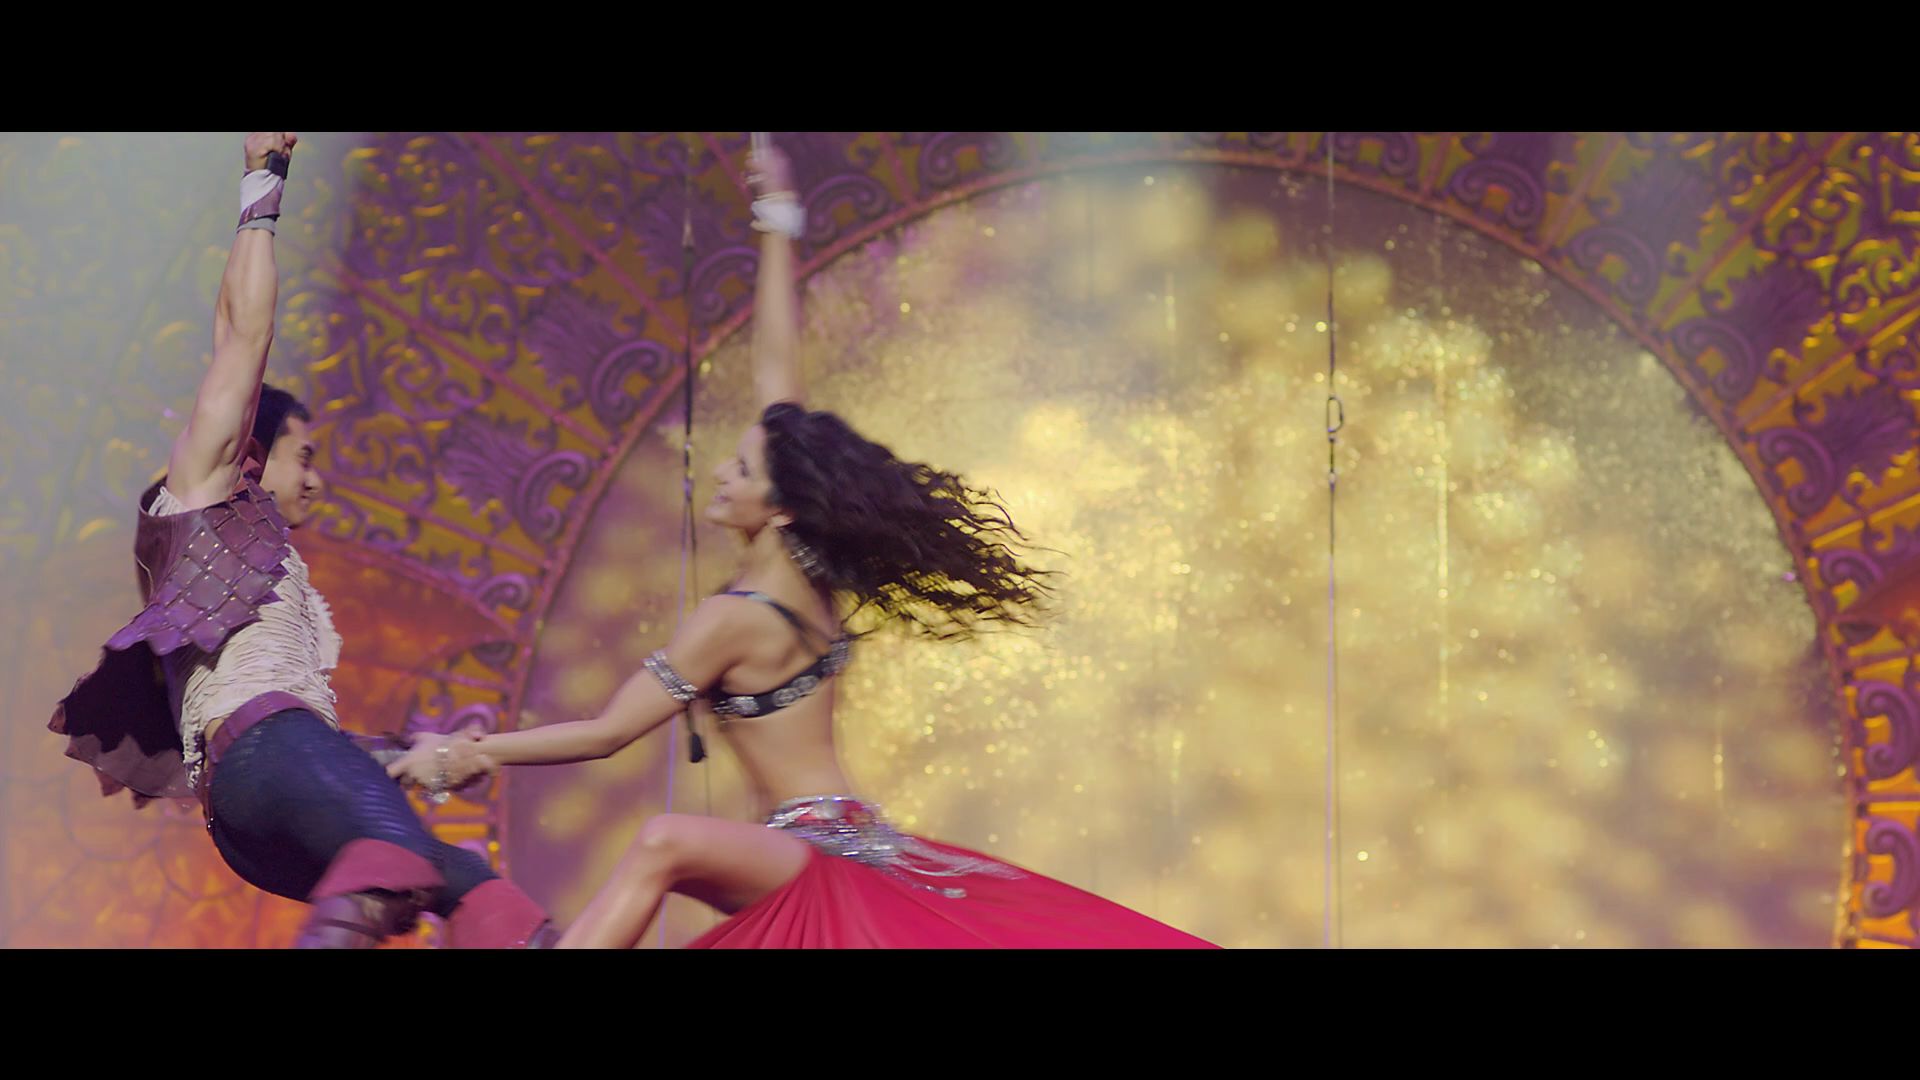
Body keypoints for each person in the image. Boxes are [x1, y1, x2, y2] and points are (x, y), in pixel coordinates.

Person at [390, 137, 1214, 949]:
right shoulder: (813, 569)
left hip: (814, 850)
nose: (721, 474)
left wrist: (464, 754)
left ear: (780, 508)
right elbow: (778, 377)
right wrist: (778, 220)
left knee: (664, 840)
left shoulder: (735, 619)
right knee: (671, 844)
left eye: (741, 470)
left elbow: (606, 734)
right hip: (838, 843)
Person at [51, 131, 557, 949]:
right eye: (306, 456)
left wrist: (408, 753)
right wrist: (265, 182)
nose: (317, 480)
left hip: (263, 805)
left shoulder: (253, 554)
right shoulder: (203, 493)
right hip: (266, 762)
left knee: (484, 897)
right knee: (398, 860)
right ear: (254, 448)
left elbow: (307, 744)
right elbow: (240, 336)